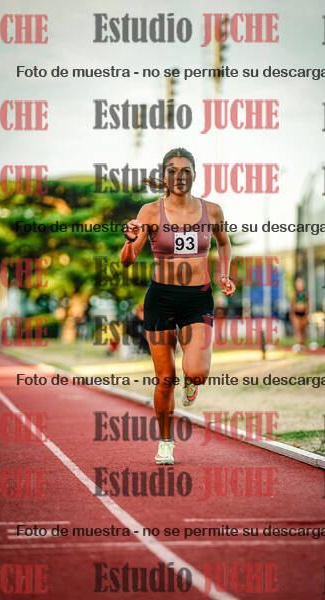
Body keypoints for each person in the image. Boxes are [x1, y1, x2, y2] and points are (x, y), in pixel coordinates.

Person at [120, 147, 235, 465]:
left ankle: (192, 384)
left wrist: (224, 274)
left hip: (197, 298)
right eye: (172, 171)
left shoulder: (212, 211)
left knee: (196, 372)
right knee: (165, 377)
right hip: (161, 299)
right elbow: (128, 260)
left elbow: (224, 243)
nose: (179, 176)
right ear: (165, 176)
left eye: (186, 171)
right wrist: (129, 241)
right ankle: (166, 442)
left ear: (194, 175)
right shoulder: (150, 212)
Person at [290, 275, 309, 351]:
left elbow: (307, 304)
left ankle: (303, 344)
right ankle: (298, 343)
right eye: (298, 283)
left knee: (303, 330)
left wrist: (307, 314)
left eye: (301, 283)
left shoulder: (305, 294)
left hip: (304, 314)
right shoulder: (295, 294)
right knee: (297, 329)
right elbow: (292, 305)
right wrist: (292, 315)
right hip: (296, 314)